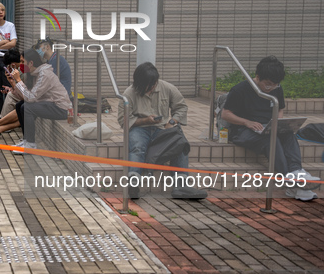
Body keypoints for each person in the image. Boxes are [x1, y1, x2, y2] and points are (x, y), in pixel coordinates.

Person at [222, 56, 320, 201]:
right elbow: (226, 114)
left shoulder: (276, 89)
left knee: (288, 133)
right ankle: (290, 182)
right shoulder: (240, 90)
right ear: (257, 76)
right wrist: (246, 122)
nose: (271, 88)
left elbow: (280, 109)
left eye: (274, 84)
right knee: (269, 139)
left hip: (268, 127)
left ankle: (296, 172)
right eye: (268, 84)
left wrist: (279, 123)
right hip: (243, 131)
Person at [118, 62, 207, 200]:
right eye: (145, 87)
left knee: (180, 143)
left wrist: (172, 122)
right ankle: (133, 181)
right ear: (138, 83)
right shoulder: (129, 93)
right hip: (139, 128)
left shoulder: (168, 88)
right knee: (137, 146)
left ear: (156, 82)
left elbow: (181, 107)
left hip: (162, 128)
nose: (149, 89)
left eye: (152, 85)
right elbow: (123, 120)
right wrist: (145, 121)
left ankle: (181, 185)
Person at [9, 49, 71, 154]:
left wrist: (19, 81)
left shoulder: (44, 74)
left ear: (31, 63)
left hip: (61, 108)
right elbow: (26, 97)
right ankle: (26, 141)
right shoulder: (33, 73)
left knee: (27, 107)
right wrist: (12, 82)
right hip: (49, 104)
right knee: (20, 105)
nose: (21, 65)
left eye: (23, 62)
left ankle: (31, 145)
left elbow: (31, 98)